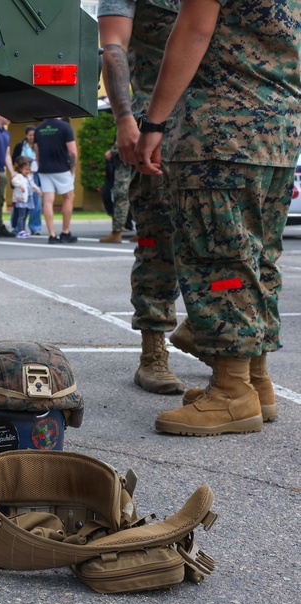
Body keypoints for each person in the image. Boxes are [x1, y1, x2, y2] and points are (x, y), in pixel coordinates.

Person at [134, 0, 301, 435]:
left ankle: (231, 393)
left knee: (221, 263)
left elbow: (194, 30)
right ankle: (256, 382)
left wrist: (154, 122)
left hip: (221, 131)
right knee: (256, 260)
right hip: (278, 134)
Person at [98, 0, 186, 395]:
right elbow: (112, 43)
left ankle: (209, 333)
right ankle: (153, 353)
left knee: (223, 241)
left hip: (212, 119)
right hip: (153, 121)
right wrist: (123, 117)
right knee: (157, 239)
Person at [33, 117, 78, 244]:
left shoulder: (39, 128)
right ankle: (65, 232)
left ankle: (51, 235)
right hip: (62, 168)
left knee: (48, 201)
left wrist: (40, 164)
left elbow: (37, 152)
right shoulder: (65, 127)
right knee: (69, 197)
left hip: (44, 168)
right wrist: (72, 169)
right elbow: (72, 152)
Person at [99, 143, 134, 243]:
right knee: (138, 196)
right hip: (138, 165)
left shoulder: (130, 127)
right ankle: (141, 233)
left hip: (125, 167)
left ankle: (116, 232)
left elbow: (129, 139)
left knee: (121, 197)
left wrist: (113, 150)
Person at [12, 125, 43, 235]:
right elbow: (14, 160)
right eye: (30, 135)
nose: (32, 137)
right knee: (20, 203)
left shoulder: (40, 146)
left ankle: (35, 228)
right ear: (26, 135)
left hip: (35, 175)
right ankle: (16, 227)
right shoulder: (21, 146)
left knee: (36, 203)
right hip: (22, 177)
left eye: (34, 135)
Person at [9, 156, 35, 238]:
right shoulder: (17, 176)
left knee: (24, 215)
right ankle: (19, 230)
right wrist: (20, 186)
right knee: (20, 215)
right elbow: (14, 181)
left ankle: (22, 229)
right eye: (25, 169)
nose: (27, 171)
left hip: (27, 199)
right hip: (20, 199)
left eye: (28, 169)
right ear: (20, 168)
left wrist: (37, 190)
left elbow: (32, 185)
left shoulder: (28, 177)